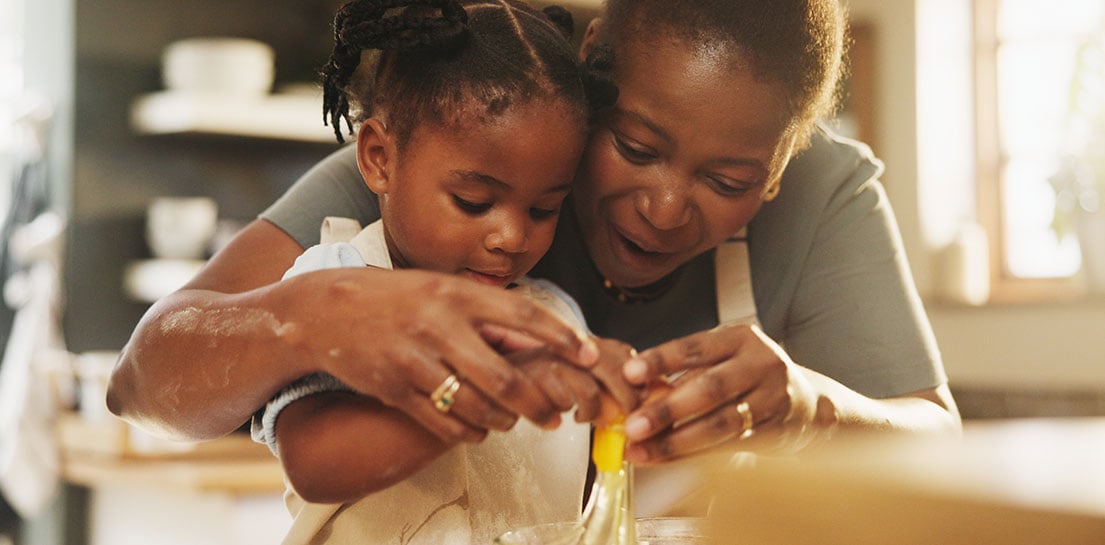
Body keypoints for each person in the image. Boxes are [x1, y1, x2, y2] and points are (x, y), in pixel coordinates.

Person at [108, 0, 961, 519]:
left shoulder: (826, 194)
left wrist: (806, 409)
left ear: (780, 165)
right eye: (632, 143)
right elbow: (141, 380)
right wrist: (317, 316)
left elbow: (936, 445)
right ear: (591, 71)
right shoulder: (443, 159)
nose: (663, 208)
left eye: (729, 177)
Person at [247, 1, 633, 543]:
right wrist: (490, 395)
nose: (512, 237)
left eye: (544, 209)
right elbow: (314, 465)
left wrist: (619, 403)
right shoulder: (334, 286)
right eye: (474, 202)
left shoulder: (553, 321)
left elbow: (578, 495)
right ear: (380, 157)